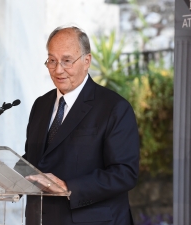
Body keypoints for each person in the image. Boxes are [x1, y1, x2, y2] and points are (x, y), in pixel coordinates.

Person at [23, 26, 140, 225]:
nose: (58, 69)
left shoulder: (114, 107)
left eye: (67, 61)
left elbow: (125, 173)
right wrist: (9, 172)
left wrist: (69, 186)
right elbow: (37, 160)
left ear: (87, 61)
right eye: (52, 61)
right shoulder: (41, 105)